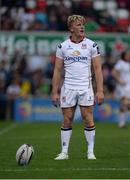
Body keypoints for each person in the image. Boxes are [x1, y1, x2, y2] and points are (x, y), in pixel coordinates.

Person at [51, 15, 104, 160]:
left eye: (83, 25)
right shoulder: (62, 46)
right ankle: (64, 152)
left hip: (85, 87)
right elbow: (57, 70)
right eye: (79, 25)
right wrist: (54, 91)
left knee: (88, 119)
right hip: (68, 87)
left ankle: (90, 152)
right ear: (71, 28)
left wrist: (100, 90)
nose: (82, 27)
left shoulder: (92, 45)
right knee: (67, 119)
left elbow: (98, 69)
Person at [112, 50, 130, 128]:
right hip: (123, 87)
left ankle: (122, 122)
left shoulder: (128, 64)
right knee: (124, 103)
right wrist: (119, 80)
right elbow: (114, 72)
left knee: (126, 105)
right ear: (124, 56)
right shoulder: (120, 63)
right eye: (127, 55)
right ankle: (121, 123)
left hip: (129, 86)